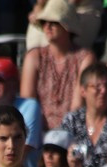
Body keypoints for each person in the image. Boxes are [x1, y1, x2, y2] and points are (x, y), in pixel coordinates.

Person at [19, 0, 95, 130]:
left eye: (54, 22)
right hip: (36, 131)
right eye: (44, 22)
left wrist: (59, 137)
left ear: (68, 26)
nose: (47, 26)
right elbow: (28, 105)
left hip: (71, 131)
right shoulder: (34, 57)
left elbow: (77, 107)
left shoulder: (85, 58)